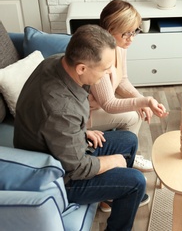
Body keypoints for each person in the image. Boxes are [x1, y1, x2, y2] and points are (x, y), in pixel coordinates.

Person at [14, 24, 147, 231]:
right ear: (82, 68)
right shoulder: (61, 109)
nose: (108, 74)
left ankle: (112, 195)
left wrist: (81, 132)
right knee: (136, 181)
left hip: (59, 145)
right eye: (105, 70)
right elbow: (77, 168)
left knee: (129, 141)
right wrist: (113, 161)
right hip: (58, 174)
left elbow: (52, 125)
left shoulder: (55, 62)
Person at [88, 0, 168, 173]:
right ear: (110, 31)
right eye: (127, 33)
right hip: (85, 115)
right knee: (133, 115)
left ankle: (126, 154)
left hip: (98, 107)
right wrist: (144, 101)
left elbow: (122, 80)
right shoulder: (99, 56)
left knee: (137, 109)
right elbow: (108, 104)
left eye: (135, 32)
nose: (131, 38)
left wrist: (139, 99)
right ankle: (123, 160)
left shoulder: (120, 47)